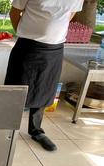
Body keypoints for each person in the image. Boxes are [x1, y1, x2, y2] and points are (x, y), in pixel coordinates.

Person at [5, 0, 84, 151]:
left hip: (55, 48)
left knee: (44, 88)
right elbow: (14, 12)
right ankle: (7, 127)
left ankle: (36, 131)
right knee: (16, 88)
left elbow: (70, 14)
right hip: (28, 46)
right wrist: (25, 33)